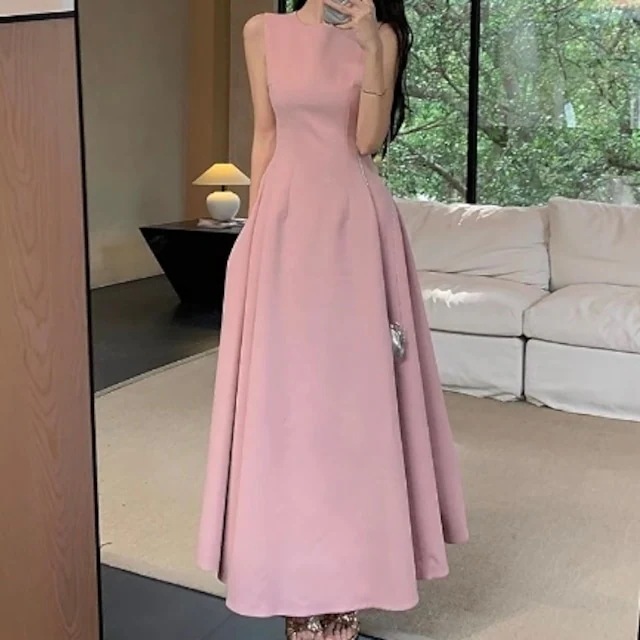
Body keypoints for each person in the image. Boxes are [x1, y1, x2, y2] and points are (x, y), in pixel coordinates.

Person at [197, 1, 469, 638]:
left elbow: (367, 140)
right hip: (284, 220)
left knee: (350, 410)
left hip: (352, 224)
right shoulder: (262, 31)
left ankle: (346, 587)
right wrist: (252, 232)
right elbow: (266, 133)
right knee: (286, 406)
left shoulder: (381, 35)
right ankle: (292, 578)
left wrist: (370, 44)